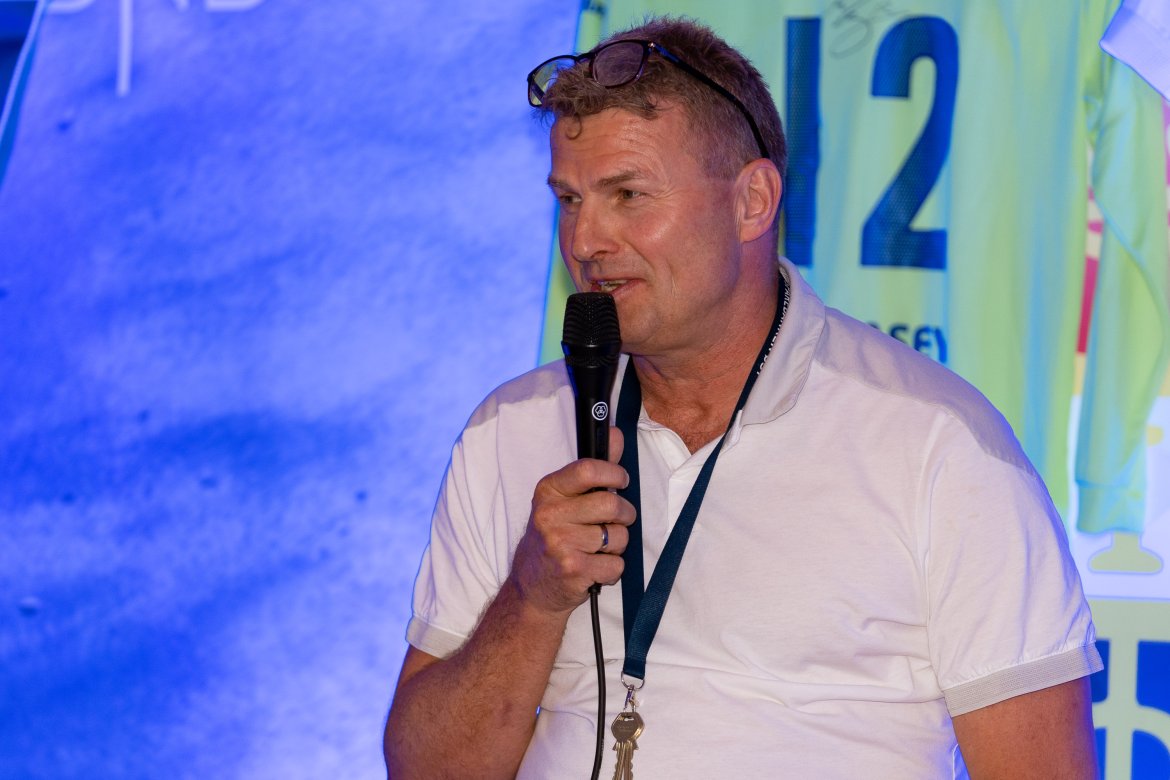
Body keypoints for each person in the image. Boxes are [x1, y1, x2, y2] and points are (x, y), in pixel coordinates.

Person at [384, 17, 1102, 779]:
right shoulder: (510, 429)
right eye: (568, 199)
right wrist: (531, 597)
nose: (586, 239)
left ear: (753, 200)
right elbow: (425, 770)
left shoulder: (937, 445)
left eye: (627, 194)